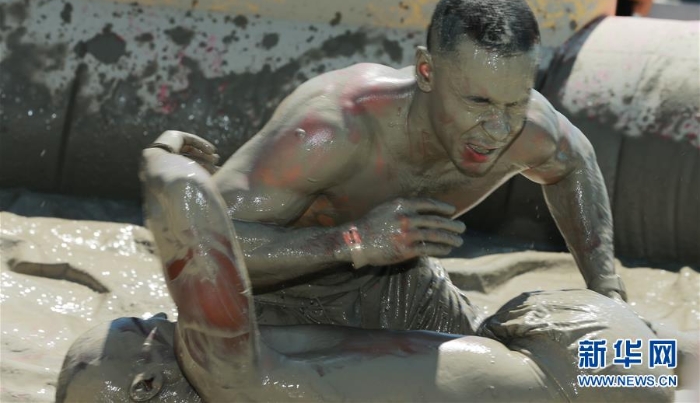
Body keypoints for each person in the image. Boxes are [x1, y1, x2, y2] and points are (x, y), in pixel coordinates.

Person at [150, 0, 627, 337]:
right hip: (274, 300)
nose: (500, 129)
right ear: (426, 71)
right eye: (478, 103)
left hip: (404, 287)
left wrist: (608, 293)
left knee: (529, 372)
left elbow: (574, 163)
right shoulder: (331, 128)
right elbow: (202, 249)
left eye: (515, 102)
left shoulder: (529, 128)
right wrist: (349, 241)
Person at [56, 148, 671, 402]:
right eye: (147, 330)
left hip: (590, 361)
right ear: (144, 385)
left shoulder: (272, 379)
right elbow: (191, 215)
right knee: (668, 365)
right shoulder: (246, 380)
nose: (165, 318)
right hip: (594, 368)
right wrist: (162, 163)